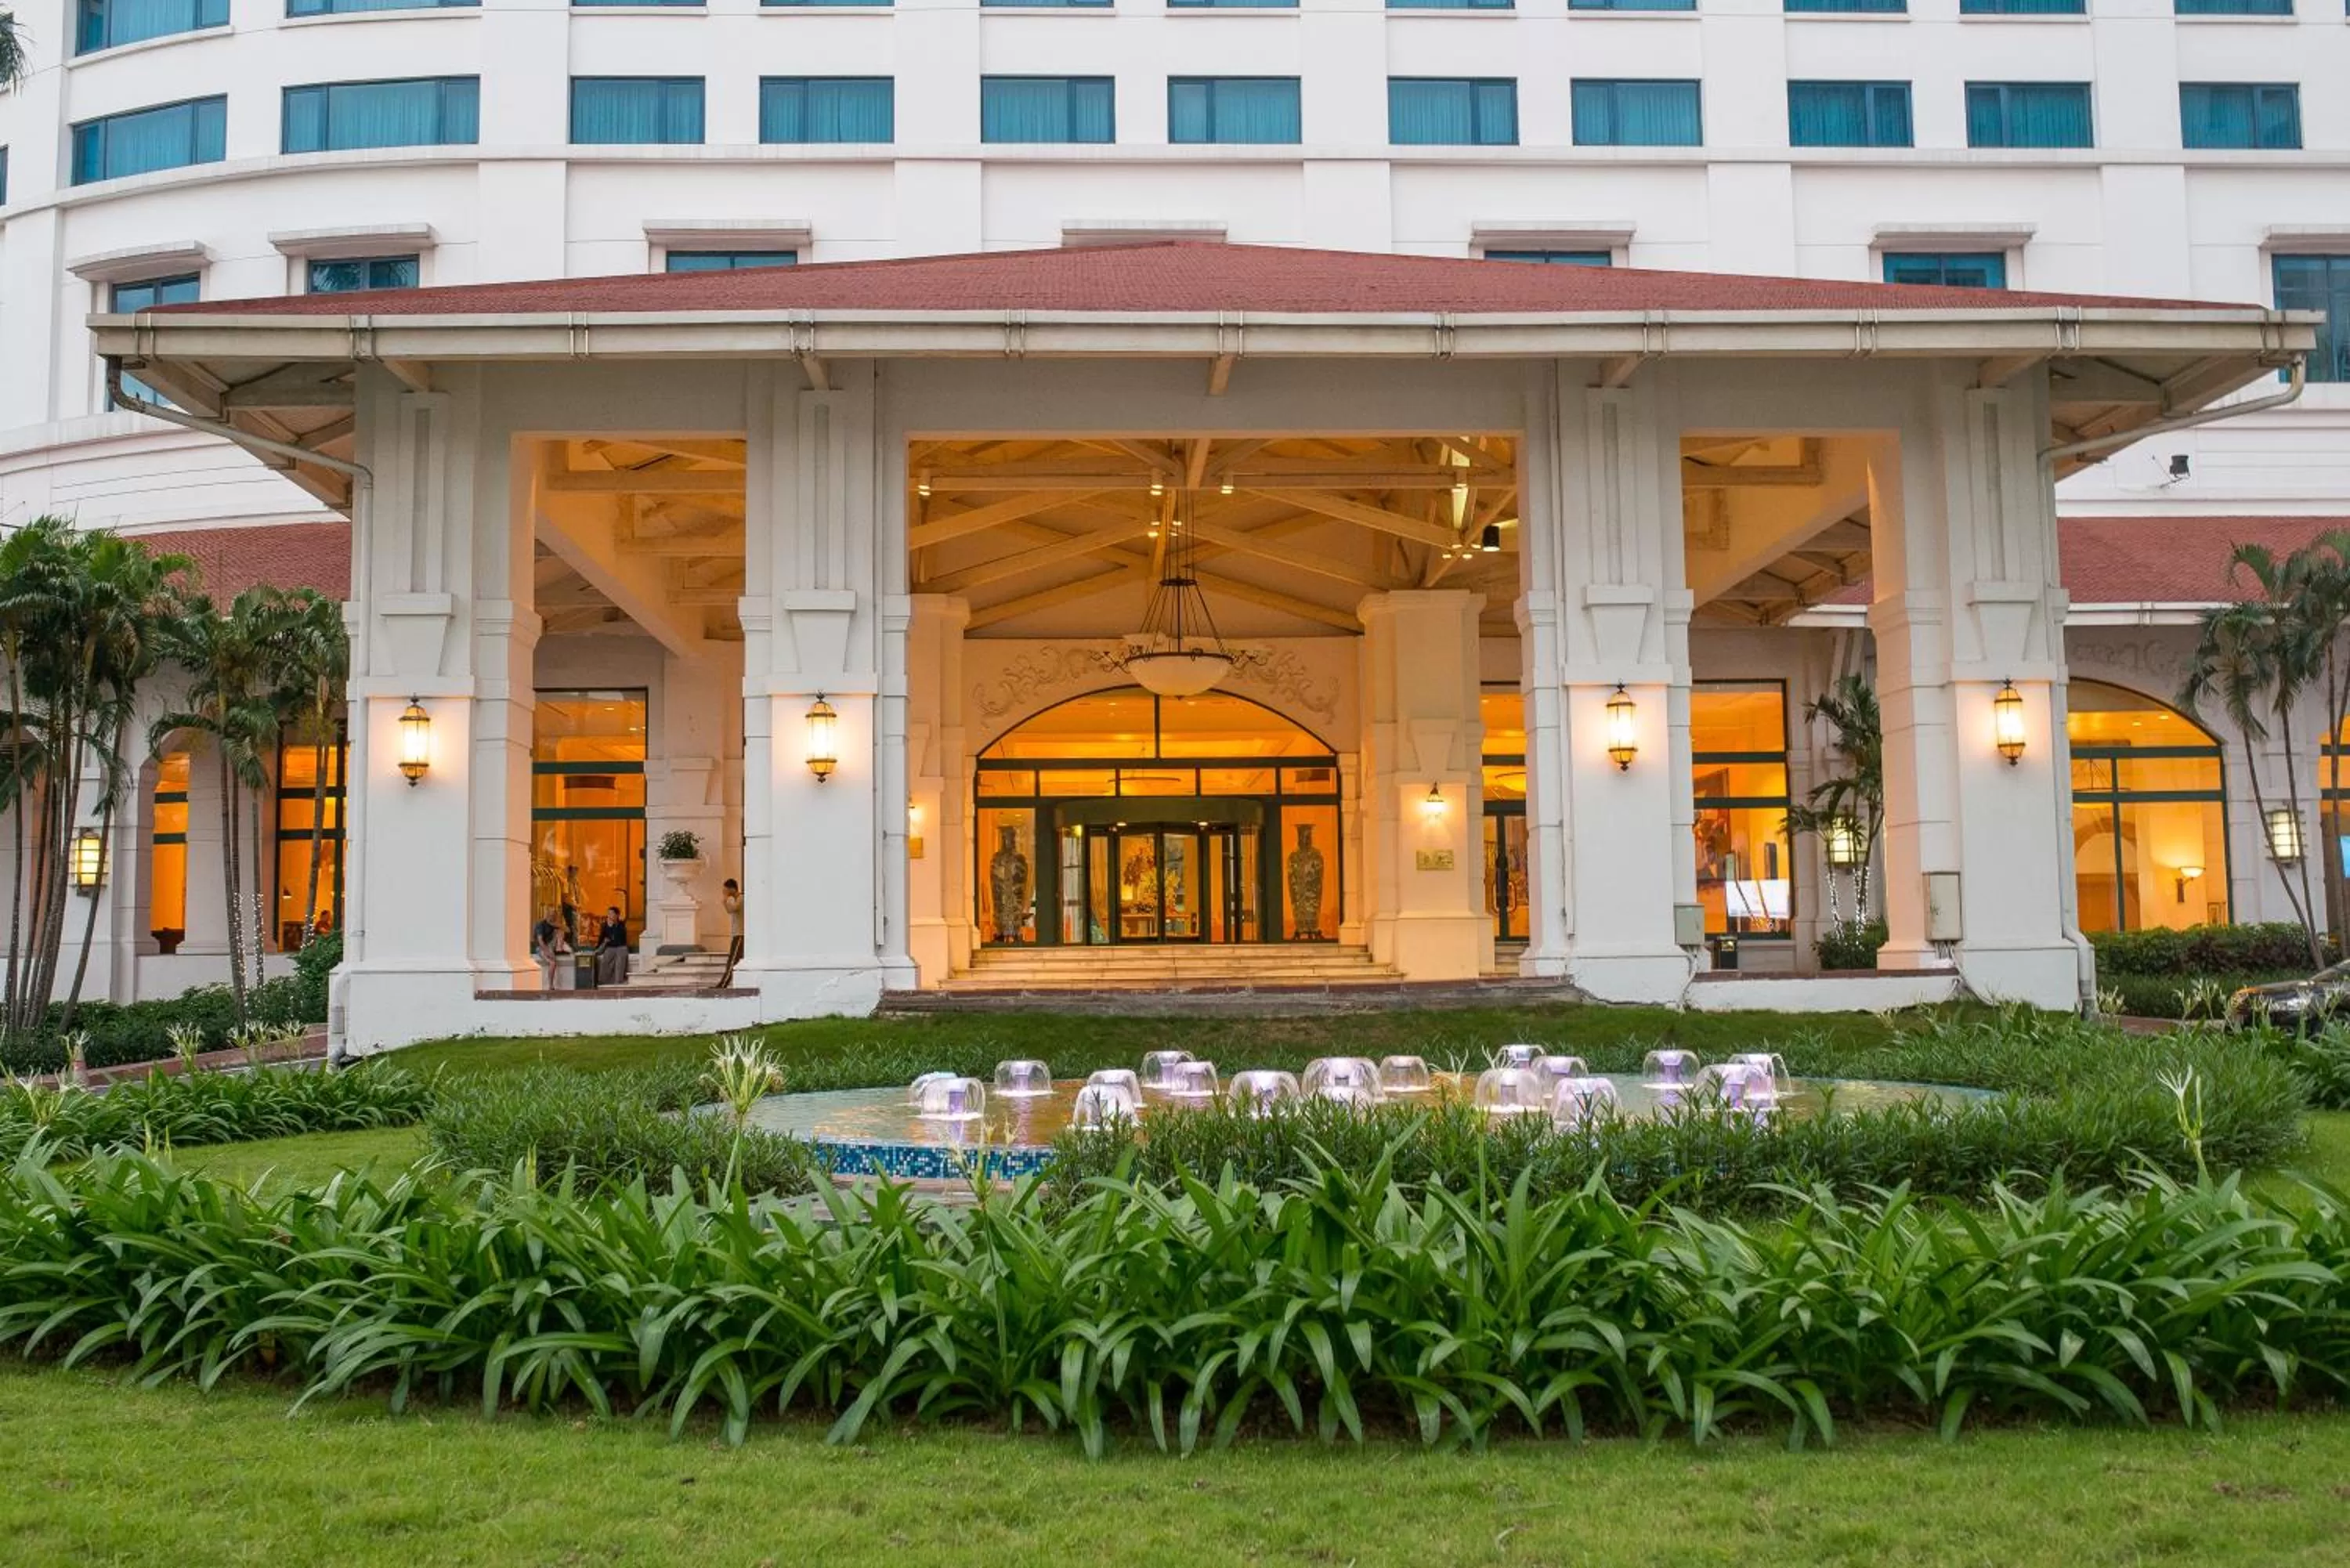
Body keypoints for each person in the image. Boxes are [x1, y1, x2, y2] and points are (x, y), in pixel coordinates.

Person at [533, 905, 572, 989]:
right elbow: (540, 941)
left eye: (554, 914)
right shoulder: (541, 924)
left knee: (559, 932)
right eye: (551, 914)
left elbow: (568, 930)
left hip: (551, 946)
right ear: (547, 914)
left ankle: (559, 948)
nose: (553, 916)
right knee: (552, 963)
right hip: (541, 947)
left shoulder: (554, 924)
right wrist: (547, 952)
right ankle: (551, 985)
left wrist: (557, 925)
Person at [718, 878, 743, 987]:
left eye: (726, 890)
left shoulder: (741, 898)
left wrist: (726, 899)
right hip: (737, 934)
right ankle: (723, 984)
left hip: (741, 934)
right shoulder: (735, 899)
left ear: (732, 889)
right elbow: (730, 910)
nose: (725, 892)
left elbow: (733, 909)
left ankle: (723, 985)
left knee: (732, 961)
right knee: (733, 960)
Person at [595, 905, 630, 986]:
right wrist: (598, 947)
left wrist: (612, 927)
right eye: (609, 914)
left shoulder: (622, 924)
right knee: (605, 962)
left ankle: (619, 982)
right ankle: (603, 982)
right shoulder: (605, 925)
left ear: (617, 915)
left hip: (621, 947)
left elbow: (621, 937)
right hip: (610, 947)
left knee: (620, 962)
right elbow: (601, 938)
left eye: (612, 913)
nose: (610, 916)